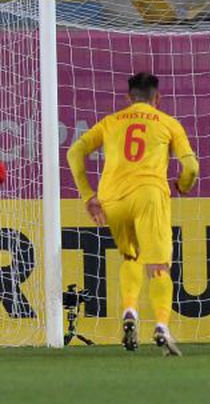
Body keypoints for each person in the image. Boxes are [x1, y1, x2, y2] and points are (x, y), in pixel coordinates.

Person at [66, 72, 198, 356]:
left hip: (112, 198)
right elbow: (192, 168)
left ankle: (129, 310)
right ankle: (161, 325)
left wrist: (89, 196)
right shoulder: (167, 123)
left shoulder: (111, 122)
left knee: (130, 256)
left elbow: (75, 152)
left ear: (129, 98)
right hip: (149, 195)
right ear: (157, 98)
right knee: (159, 266)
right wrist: (182, 186)